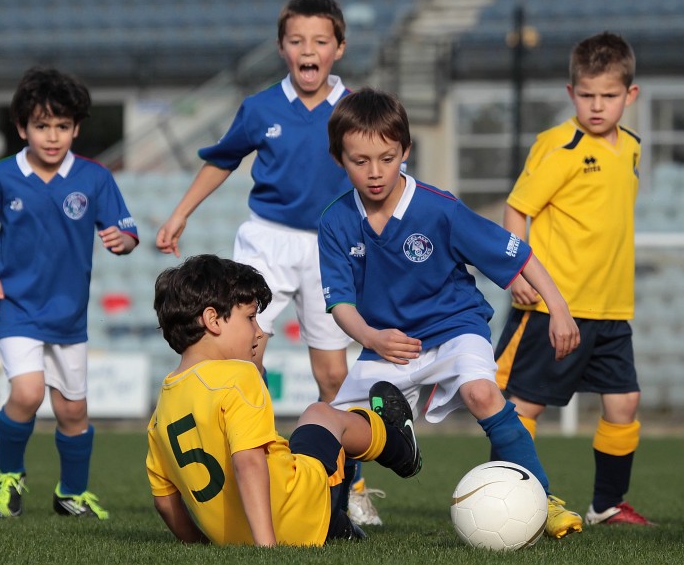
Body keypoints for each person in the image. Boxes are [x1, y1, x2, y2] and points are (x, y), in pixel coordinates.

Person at [155, 0, 381, 525]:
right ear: (282, 48)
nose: (309, 49)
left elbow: (379, 173)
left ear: (339, 48)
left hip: (330, 245)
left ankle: (349, 488)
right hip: (266, 241)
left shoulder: (355, 109)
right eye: (297, 40)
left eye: (320, 41)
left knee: (332, 373)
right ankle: (221, 466)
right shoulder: (260, 108)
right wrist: (180, 213)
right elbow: (223, 160)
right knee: (232, 352)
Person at [319, 87, 584, 539]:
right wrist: (371, 338)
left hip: (455, 326)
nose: (375, 172)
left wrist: (558, 308)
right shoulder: (335, 220)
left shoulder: (439, 209)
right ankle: (333, 521)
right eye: (359, 161)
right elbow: (339, 301)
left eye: (386, 157)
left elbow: (517, 253)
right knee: (334, 426)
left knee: (483, 393)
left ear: (405, 149)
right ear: (339, 157)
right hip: (387, 342)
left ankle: (541, 499)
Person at [146, 254, 421, 546]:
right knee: (321, 415)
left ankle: (342, 527)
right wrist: (267, 547)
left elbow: (165, 503)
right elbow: (249, 463)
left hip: (240, 537)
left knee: (300, 453)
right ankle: (400, 447)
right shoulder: (239, 375)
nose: (259, 331)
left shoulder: (160, 413)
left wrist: (202, 543)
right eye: (250, 317)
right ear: (213, 320)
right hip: (296, 511)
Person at [494, 32, 653, 526]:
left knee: (624, 401)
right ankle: (509, 502)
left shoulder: (631, 148)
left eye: (608, 96)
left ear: (630, 95)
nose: (597, 105)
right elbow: (517, 209)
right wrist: (518, 272)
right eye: (587, 95)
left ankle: (606, 505)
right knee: (525, 405)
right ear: (571, 93)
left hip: (611, 308)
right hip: (553, 306)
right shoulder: (558, 146)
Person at [0, 66, 139, 519]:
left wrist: (125, 241)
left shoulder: (95, 178)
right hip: (16, 306)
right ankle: (8, 477)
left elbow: (125, 229)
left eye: (62, 126)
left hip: (69, 313)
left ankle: (71, 493)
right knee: (26, 393)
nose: (52, 136)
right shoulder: (2, 178)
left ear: (76, 128)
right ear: (22, 127)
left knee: (73, 410)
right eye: (42, 126)